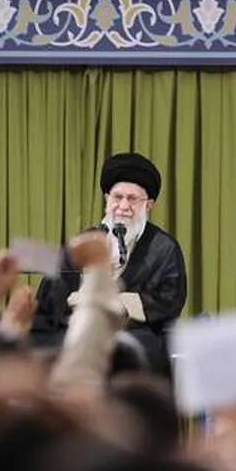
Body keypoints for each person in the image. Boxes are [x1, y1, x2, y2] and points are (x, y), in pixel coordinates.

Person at [31, 152, 187, 375]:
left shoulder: (164, 248)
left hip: (135, 333)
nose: (123, 206)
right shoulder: (82, 243)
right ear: (107, 198)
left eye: (132, 199)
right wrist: (78, 303)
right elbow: (50, 298)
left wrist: (120, 304)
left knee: (134, 352)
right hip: (77, 329)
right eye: (117, 197)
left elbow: (170, 300)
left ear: (149, 205)